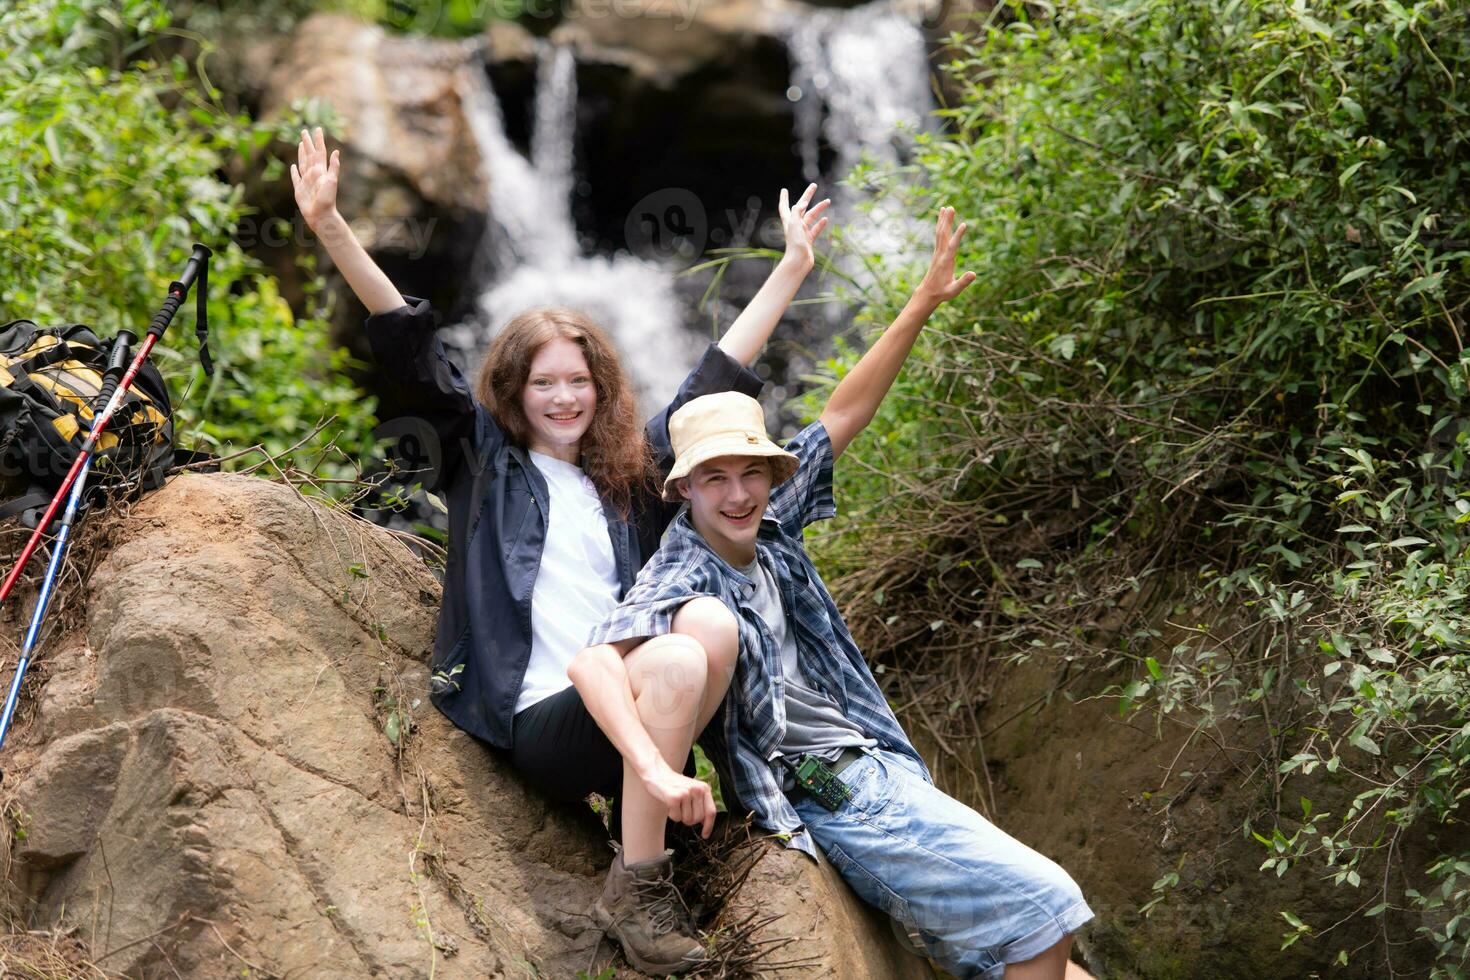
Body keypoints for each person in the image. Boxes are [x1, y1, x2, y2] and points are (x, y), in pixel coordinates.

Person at [289, 127, 831, 973]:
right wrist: (329, 226)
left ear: (601, 387)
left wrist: (793, 267)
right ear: (513, 391)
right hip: (541, 713)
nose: (563, 397)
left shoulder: (634, 477)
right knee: (683, 660)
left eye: (578, 381)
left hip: (636, 709)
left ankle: (641, 836)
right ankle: (641, 883)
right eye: (544, 382)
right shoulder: (482, 461)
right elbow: (407, 342)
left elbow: (714, 381)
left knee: (710, 628)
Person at [578, 207, 1093, 979]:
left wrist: (920, 303)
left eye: (751, 470)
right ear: (684, 489)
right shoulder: (682, 572)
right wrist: (653, 773)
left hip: (879, 759)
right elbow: (596, 660)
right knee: (1048, 907)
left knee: (1059, 957)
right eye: (715, 477)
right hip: (829, 789)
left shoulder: (771, 519)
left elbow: (843, 412)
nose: (739, 492)